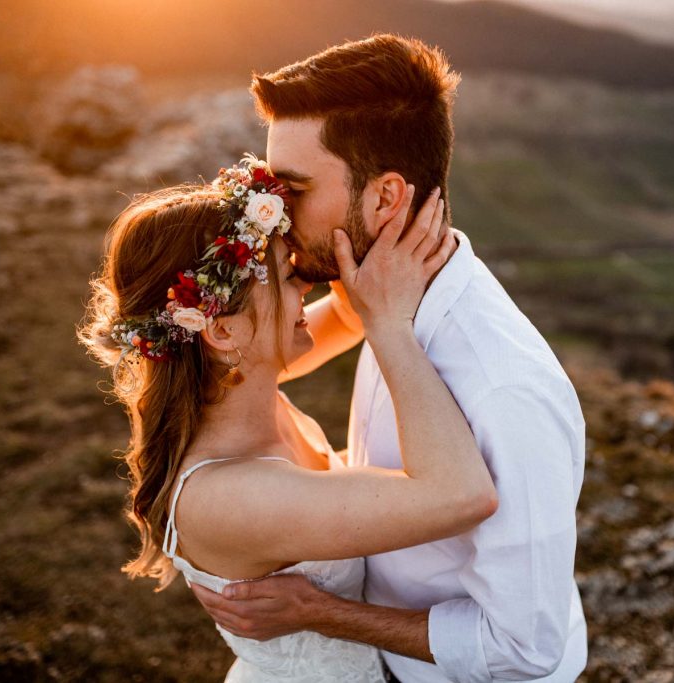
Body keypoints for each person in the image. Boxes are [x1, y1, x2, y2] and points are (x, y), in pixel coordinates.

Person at [192, 35, 589, 682]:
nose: (271, 218)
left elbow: (522, 649)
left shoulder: (502, 390)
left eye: (292, 189)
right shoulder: (377, 301)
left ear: (385, 199)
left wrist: (319, 610)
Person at [79, 158, 499, 682]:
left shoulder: (232, 383)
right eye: (286, 275)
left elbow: (347, 313)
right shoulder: (227, 495)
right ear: (223, 331)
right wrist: (390, 326)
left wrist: (343, 220)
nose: (305, 285)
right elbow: (462, 495)